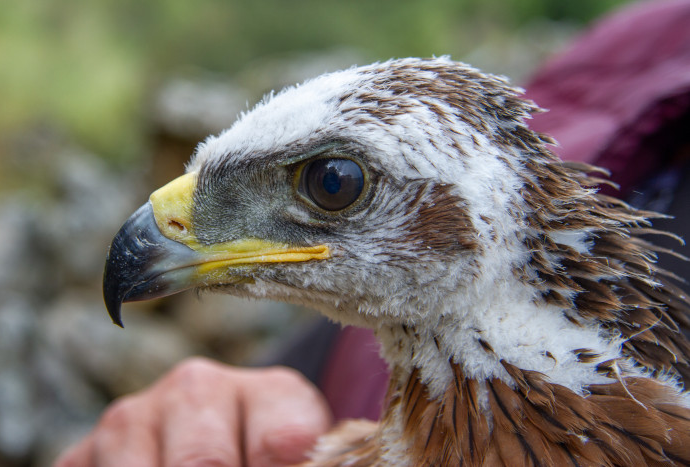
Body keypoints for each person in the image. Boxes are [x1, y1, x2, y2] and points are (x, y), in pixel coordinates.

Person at [56, 0, 690, 465]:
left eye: (333, 184)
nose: (170, 225)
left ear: (474, 224)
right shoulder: (628, 68)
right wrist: (195, 428)